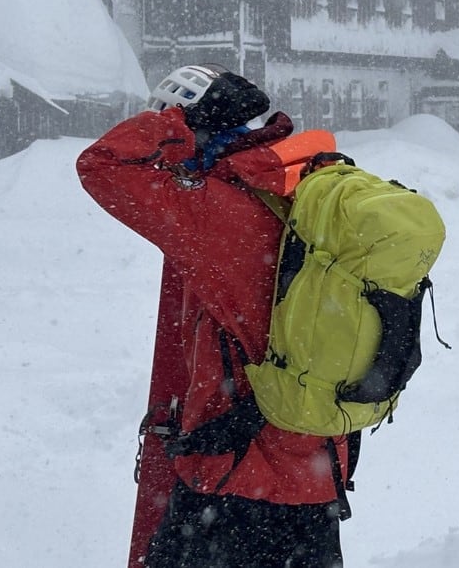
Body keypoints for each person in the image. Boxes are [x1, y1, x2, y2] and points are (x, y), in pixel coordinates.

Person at [76, 64, 347, 568]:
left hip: (234, 472)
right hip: (318, 465)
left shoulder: (215, 209)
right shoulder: (314, 190)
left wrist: (172, 124)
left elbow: (102, 164)